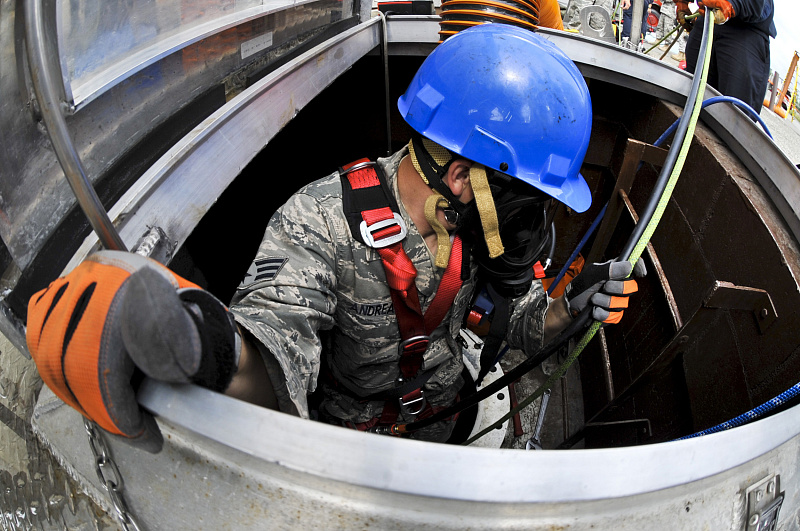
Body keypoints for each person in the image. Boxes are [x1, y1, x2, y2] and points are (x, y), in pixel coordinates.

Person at [25, 24, 644, 451]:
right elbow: (270, 345)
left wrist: (565, 311)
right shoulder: (319, 224)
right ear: (462, 177)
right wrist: (194, 341)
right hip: (358, 460)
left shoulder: (470, 228)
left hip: (451, 428)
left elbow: (507, 321)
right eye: (525, 206)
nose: (529, 228)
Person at [680, 0, 775, 115]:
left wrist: (734, 3)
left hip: (745, 29)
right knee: (686, 98)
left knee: (734, 114)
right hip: (707, 16)